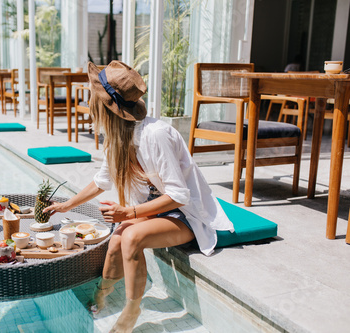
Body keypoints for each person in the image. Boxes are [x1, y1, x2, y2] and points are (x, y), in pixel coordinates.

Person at [43, 61, 234, 333]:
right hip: (155, 212)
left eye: (93, 100)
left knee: (131, 236)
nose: (89, 104)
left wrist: (129, 213)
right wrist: (66, 205)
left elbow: (180, 195)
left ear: (106, 108)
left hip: (185, 214)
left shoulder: (156, 135)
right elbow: (101, 181)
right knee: (117, 238)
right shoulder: (118, 136)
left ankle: (132, 310)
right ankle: (103, 292)